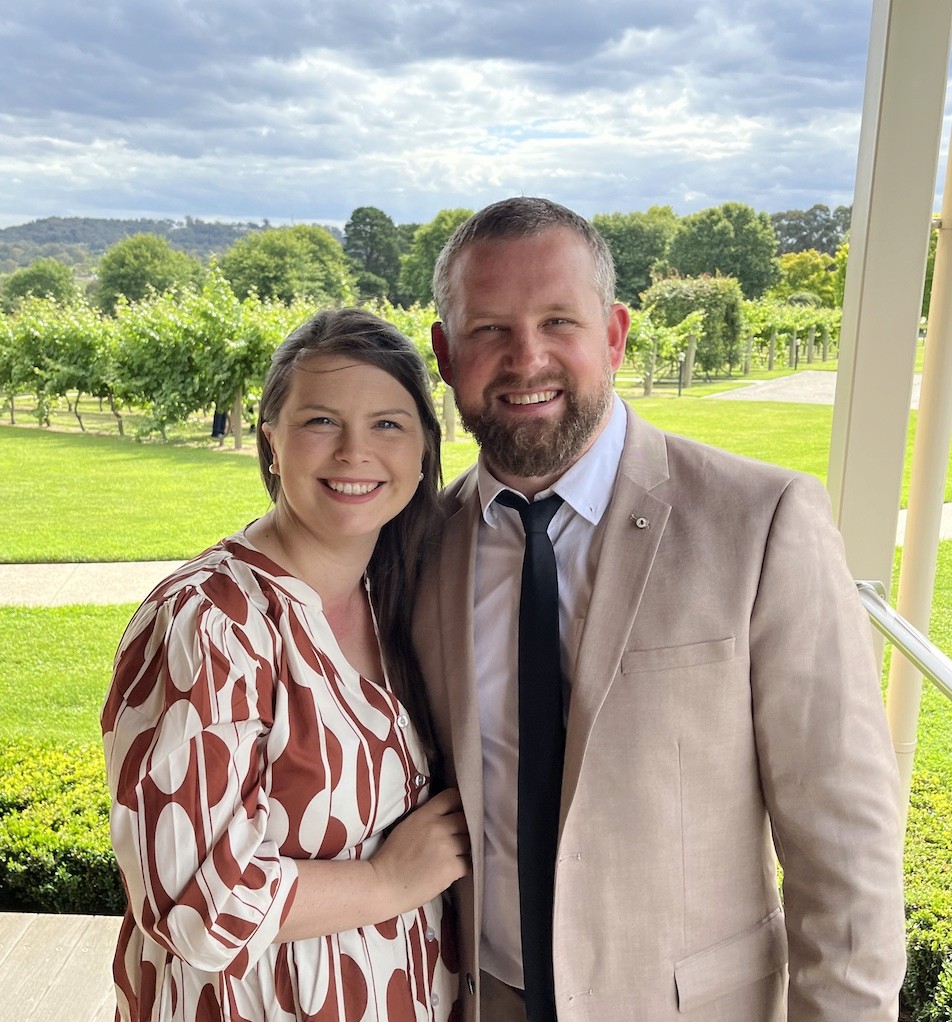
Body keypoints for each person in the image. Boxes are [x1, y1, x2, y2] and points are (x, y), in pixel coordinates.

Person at [412, 197, 906, 1021]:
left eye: (558, 321)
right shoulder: (420, 545)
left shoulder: (761, 520)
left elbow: (844, 843)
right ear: (445, 351)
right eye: (489, 329)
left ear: (613, 334)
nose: (524, 357)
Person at [102, 308, 469, 1022]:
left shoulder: (408, 594)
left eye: (388, 424)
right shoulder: (209, 622)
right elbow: (196, 904)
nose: (354, 452)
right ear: (271, 441)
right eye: (321, 422)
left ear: (425, 447)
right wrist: (387, 883)